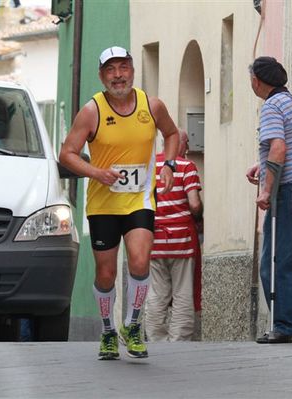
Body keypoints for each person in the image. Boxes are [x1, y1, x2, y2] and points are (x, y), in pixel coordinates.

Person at [59, 46, 179, 360]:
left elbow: (172, 134)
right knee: (106, 273)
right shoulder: (92, 111)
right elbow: (67, 154)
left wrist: (169, 166)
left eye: (123, 68)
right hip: (104, 205)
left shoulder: (151, 105)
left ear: (132, 70)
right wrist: (96, 173)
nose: (118, 75)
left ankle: (133, 325)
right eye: (110, 70)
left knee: (140, 261)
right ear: (101, 76)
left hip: (140, 199)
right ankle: (109, 330)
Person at [245, 56, 292, 344]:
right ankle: (290, 322)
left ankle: (287, 326)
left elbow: (279, 148)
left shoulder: (271, 106)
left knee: (274, 262)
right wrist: (262, 166)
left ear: (256, 81)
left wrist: (266, 190)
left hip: (289, 191)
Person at [145, 130, 203, 342]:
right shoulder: (186, 167)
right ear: (178, 143)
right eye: (186, 143)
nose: (187, 148)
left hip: (155, 239)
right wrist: (198, 216)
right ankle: (178, 340)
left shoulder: (150, 166)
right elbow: (194, 203)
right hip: (182, 242)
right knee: (182, 293)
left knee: (157, 293)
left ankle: (156, 339)